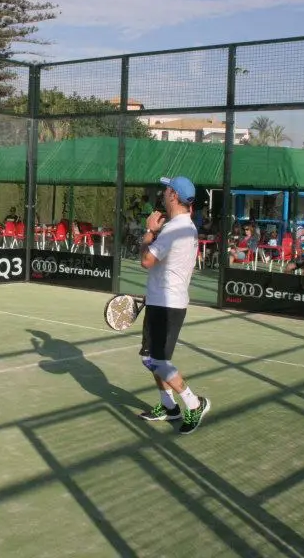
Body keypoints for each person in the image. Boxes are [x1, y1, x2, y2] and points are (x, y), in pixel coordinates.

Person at [136, 175, 211, 435]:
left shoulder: (173, 228)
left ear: (174, 196)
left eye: (167, 189)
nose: (163, 192)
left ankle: (194, 403)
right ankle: (169, 406)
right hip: (162, 300)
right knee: (150, 357)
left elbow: (146, 261)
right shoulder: (185, 226)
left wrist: (148, 231)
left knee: (157, 360)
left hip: (168, 305)